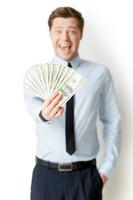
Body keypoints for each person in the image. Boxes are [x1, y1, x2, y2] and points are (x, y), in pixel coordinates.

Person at [23, 6, 121, 200]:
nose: (65, 38)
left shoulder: (99, 74)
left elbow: (112, 120)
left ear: (81, 34)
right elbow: (33, 108)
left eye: (72, 31)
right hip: (46, 177)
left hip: (86, 177)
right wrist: (44, 114)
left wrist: (105, 170)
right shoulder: (37, 74)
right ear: (50, 33)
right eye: (58, 30)